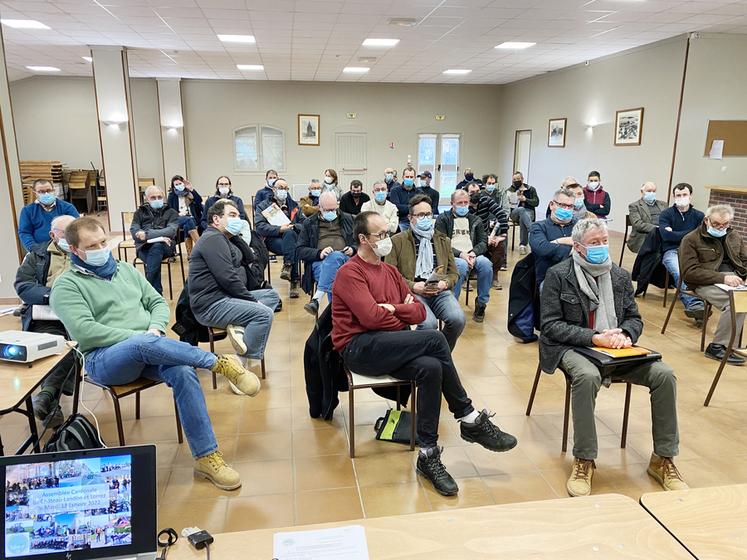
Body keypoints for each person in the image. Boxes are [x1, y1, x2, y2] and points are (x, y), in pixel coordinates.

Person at [51, 217, 260, 491]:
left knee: (182, 371)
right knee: (141, 343)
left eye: (103, 242)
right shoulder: (66, 285)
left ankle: (206, 457)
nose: (101, 248)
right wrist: (140, 337)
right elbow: (86, 331)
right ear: (75, 250)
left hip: (149, 347)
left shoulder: (125, 270)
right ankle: (217, 363)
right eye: (92, 245)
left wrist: (154, 327)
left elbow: (157, 303)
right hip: (105, 359)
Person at [333, 211, 517, 496]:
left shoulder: (391, 272)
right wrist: (397, 312)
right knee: (433, 338)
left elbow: (418, 311)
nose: (387, 239)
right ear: (363, 239)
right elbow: (369, 318)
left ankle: (428, 455)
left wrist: (393, 309)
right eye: (381, 235)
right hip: (359, 348)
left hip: (391, 342)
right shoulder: (350, 272)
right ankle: (467, 416)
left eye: (388, 232)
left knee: (431, 368)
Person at [540, 218, 686, 497]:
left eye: (604, 241)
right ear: (579, 247)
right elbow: (550, 326)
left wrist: (626, 334)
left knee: (664, 374)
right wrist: (594, 337)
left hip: (616, 349)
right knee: (586, 375)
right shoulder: (559, 275)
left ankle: (663, 459)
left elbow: (634, 318)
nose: (601, 247)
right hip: (573, 346)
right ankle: (584, 459)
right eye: (594, 243)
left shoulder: (619, 276)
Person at [189, 199, 279, 392]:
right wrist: (252, 301)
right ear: (216, 219)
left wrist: (235, 235)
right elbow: (227, 278)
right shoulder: (212, 239)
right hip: (212, 304)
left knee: (272, 296)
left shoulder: (225, 238)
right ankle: (239, 368)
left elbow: (249, 258)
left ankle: (239, 327)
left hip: (227, 297)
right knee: (263, 314)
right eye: (232, 215)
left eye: (238, 215)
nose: (238, 218)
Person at [14, 215, 77, 427]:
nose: (72, 237)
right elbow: (23, 286)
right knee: (60, 345)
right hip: (48, 315)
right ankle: (50, 400)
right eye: (67, 232)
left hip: (80, 313)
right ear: (53, 235)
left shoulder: (86, 251)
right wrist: (53, 296)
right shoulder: (36, 255)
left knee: (73, 344)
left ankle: (47, 398)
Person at [386, 195, 464, 350]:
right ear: (410, 217)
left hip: (439, 291)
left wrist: (445, 283)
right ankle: (420, 356)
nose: (426, 218)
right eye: (420, 215)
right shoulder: (397, 241)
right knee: (429, 324)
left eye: (428, 214)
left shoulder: (443, 240)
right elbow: (390, 274)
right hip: (412, 291)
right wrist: (414, 286)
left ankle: (441, 354)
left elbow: (454, 273)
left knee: (458, 319)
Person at [681, 204, 747, 364]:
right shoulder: (691, 239)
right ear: (706, 220)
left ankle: (733, 345)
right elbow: (689, 272)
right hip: (704, 281)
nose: (721, 227)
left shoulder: (734, 236)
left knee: (741, 298)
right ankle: (718, 346)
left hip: (735, 279)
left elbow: (745, 260)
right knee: (735, 302)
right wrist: (722, 278)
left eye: (725, 224)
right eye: (716, 224)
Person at [435, 190, 492, 322]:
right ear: (452, 204)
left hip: (472, 254)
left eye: (466, 202)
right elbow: (441, 243)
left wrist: (473, 253)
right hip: (452, 256)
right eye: (460, 203)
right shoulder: (443, 219)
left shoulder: (475, 220)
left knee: (486, 264)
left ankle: (481, 303)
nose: (463, 205)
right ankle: (452, 303)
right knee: (460, 265)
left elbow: (483, 242)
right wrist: (461, 254)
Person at [297, 192, 356, 315]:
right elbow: (299, 250)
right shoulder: (309, 223)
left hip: (346, 260)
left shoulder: (349, 219)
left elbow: (360, 241)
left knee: (336, 258)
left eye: (333, 209)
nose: (331, 212)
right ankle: (340, 317)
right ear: (320, 208)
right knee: (337, 277)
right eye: (327, 210)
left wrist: (353, 249)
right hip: (320, 263)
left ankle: (317, 298)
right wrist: (319, 253)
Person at [659, 183, 705, 320]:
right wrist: (692, 232)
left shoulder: (699, 215)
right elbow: (666, 236)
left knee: (703, 271)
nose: (681, 197)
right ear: (674, 196)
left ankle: (701, 304)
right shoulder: (666, 214)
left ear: (690, 196)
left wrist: (675, 233)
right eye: (678, 195)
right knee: (680, 272)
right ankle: (695, 305)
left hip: (693, 253)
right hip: (671, 251)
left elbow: (701, 236)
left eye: (684, 195)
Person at [254, 178, 304, 298]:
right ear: (274, 189)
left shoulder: (294, 205)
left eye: (285, 188)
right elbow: (260, 227)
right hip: (273, 239)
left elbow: (304, 224)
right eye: (280, 188)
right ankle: (294, 280)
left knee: (291, 236)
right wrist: (279, 229)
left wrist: (293, 226)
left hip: (291, 237)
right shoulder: (264, 206)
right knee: (294, 247)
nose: (283, 191)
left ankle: (288, 266)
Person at [130, 186, 179, 296]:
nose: (157, 199)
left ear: (164, 198)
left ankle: (147, 291)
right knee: (154, 254)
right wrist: (159, 234)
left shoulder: (171, 212)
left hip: (166, 246)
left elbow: (171, 231)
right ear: (146, 199)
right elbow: (134, 231)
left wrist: (147, 234)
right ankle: (155, 294)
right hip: (144, 247)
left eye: (159, 197)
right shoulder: (139, 213)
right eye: (153, 197)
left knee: (157, 247)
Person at [529, 188, 577, 287]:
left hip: (577, 278)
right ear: (552, 205)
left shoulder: (579, 226)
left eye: (570, 206)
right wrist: (572, 249)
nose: (566, 209)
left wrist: (557, 242)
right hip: (548, 279)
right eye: (562, 205)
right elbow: (542, 248)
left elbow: (588, 249)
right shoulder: (538, 226)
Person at [467, 181, 509, 290]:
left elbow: (501, 214)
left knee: (500, 246)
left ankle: (494, 275)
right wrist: (485, 239)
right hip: (469, 238)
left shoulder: (485, 200)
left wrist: (502, 234)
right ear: (466, 193)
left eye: (477, 191)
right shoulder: (463, 205)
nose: (476, 194)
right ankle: (465, 277)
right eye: (472, 192)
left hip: (486, 236)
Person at [18, 179, 79, 251]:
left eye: (49, 190)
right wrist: (34, 249)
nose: (46, 194)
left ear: (54, 190)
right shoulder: (28, 211)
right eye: (41, 192)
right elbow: (25, 232)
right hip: (40, 250)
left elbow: (77, 228)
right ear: (35, 193)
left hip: (65, 248)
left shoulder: (67, 207)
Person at [627, 182, 668, 254]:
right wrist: (657, 228)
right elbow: (638, 224)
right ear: (642, 192)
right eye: (649, 191)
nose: (651, 193)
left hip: (663, 236)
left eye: (654, 191)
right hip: (644, 236)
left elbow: (669, 220)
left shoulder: (664, 204)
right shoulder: (635, 206)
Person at [166, 175, 202, 254]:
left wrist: (192, 189)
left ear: (184, 183)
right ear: (173, 186)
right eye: (176, 184)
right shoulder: (172, 195)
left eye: (180, 183)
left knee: (188, 225)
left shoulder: (190, 193)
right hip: (178, 219)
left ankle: (190, 254)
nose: (179, 186)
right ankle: (201, 249)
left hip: (192, 219)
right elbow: (169, 211)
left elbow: (199, 201)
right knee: (188, 220)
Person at [507, 171, 539, 255]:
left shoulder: (531, 189)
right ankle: (533, 231)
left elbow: (536, 202)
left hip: (529, 212)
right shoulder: (509, 190)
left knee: (523, 219)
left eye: (518, 179)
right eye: (514, 179)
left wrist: (526, 200)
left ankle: (522, 246)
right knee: (521, 209)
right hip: (514, 212)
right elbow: (506, 206)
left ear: (522, 179)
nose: (516, 180)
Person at [389, 166, 422, 231]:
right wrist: (412, 207)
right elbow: (396, 207)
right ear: (403, 177)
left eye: (411, 177)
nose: (409, 179)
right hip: (401, 221)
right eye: (407, 177)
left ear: (414, 178)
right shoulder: (395, 191)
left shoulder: (420, 192)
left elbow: (420, 209)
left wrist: (405, 207)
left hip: (416, 221)